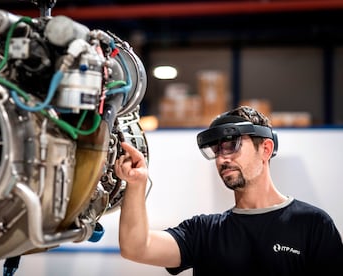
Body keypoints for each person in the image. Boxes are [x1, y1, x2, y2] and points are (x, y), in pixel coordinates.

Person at [114, 105, 343, 275]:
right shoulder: (204, 232)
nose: (222, 158)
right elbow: (136, 247)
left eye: (232, 145)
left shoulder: (312, 224)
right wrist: (136, 184)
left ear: (265, 149)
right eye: (217, 150)